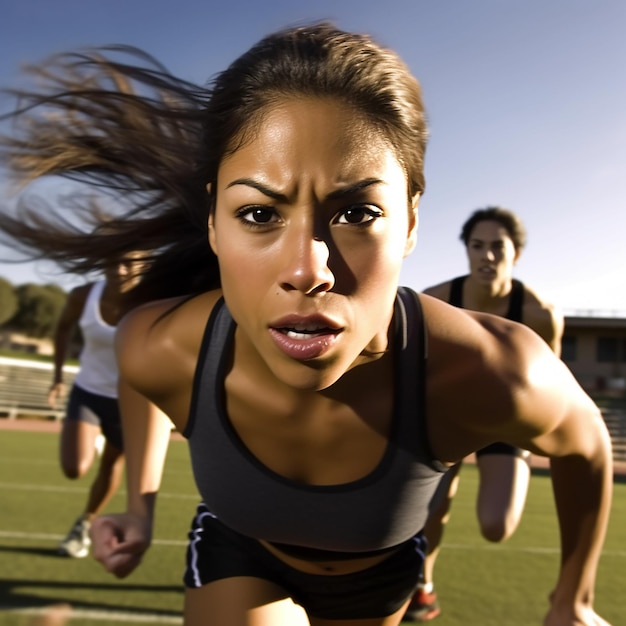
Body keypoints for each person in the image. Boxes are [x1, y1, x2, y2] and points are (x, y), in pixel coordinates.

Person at [0, 23, 613, 626]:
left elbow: (585, 441)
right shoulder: (167, 345)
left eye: (357, 212)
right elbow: (139, 372)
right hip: (237, 554)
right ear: (214, 220)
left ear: (409, 221)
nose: (306, 269)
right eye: (260, 213)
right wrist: (140, 508)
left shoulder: (490, 370)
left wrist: (572, 600)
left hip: (380, 578)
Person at [403, 206, 564, 622]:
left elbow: (552, 386)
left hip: (504, 422)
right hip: (447, 415)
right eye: (477, 246)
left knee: (497, 525)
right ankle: (423, 587)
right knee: (425, 509)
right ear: (467, 251)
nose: (486, 256)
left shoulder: (539, 315)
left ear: (517, 254)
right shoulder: (435, 301)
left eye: (497, 247)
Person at [47, 256, 142, 558]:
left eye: (128, 263)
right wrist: (58, 378)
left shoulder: (152, 300)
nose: (118, 269)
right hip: (87, 390)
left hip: (129, 401)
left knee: (111, 465)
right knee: (74, 468)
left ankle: (84, 525)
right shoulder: (84, 295)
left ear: (143, 265)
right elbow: (62, 329)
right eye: (113, 262)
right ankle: (92, 438)